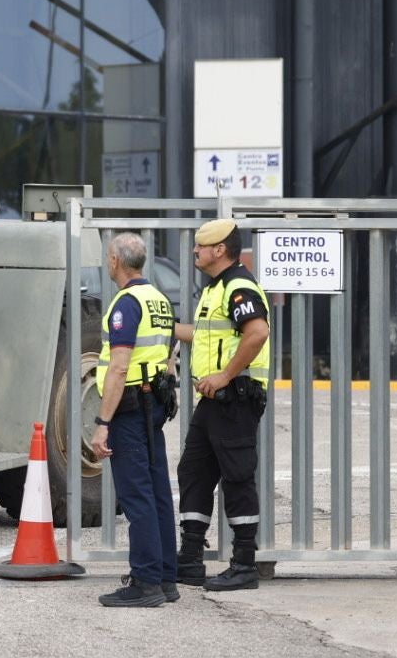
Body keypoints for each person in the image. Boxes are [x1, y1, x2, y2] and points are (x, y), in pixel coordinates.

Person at [174, 218, 271, 591]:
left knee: (237, 478)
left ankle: (244, 564)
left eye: (201, 246)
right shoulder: (216, 289)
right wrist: (165, 327)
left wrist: (226, 375)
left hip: (235, 399)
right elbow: (203, 336)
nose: (195, 251)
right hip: (213, 401)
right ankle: (190, 559)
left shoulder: (239, 286)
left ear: (219, 250)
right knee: (193, 472)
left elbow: (257, 333)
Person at [91, 232, 179, 608]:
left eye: (108, 257)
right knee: (157, 491)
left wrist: (102, 422)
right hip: (152, 403)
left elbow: (119, 365)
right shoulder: (158, 298)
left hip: (129, 407)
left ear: (115, 261)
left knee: (136, 494)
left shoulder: (126, 304)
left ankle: (145, 582)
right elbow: (170, 354)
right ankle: (165, 577)